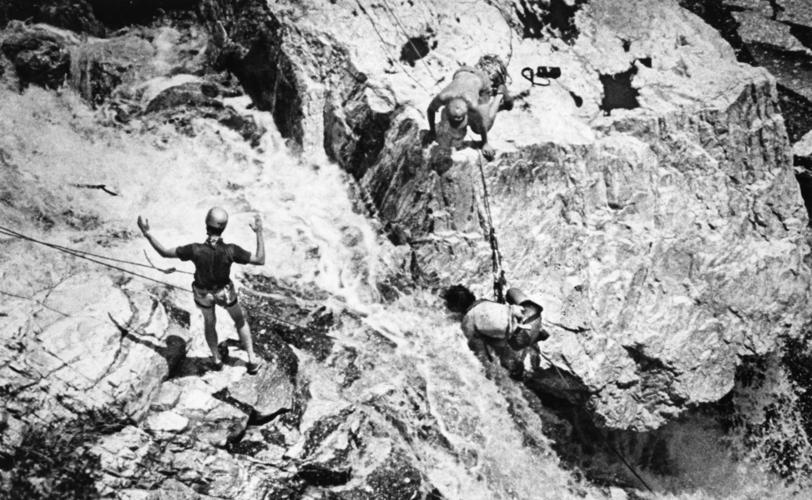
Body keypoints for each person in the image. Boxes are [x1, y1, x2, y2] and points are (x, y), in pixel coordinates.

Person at [137, 207, 265, 374]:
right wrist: (259, 232)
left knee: (209, 322)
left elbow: (164, 253)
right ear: (224, 227)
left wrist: (147, 233)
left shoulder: (194, 249)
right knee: (239, 320)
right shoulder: (231, 250)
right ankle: (252, 360)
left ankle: (217, 359)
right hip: (224, 292)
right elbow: (260, 260)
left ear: (206, 225)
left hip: (203, 293)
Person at [445, 284, 547, 379]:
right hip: (533, 313)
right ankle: (538, 332)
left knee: (494, 344)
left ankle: (519, 372)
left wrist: (487, 371)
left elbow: (480, 353)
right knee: (511, 291)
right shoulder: (483, 302)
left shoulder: (467, 322)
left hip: (522, 337)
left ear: (455, 308)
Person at [425, 55, 514, 161]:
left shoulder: (473, 105)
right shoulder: (443, 97)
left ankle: (501, 92)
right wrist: (432, 131)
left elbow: (483, 124)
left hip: (481, 81)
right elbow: (430, 110)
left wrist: (485, 143)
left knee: (477, 129)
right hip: (463, 72)